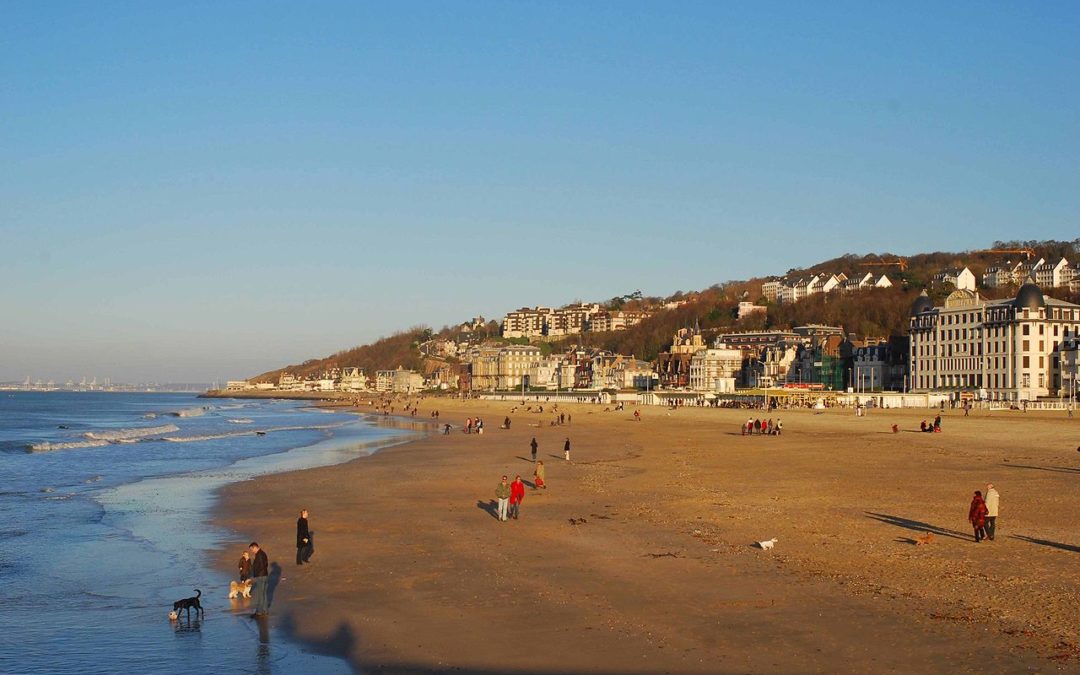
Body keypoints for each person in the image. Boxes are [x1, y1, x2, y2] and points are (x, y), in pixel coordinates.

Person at [249, 542, 270, 616]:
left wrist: (256, 573)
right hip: (264, 575)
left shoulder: (259, 555)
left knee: (260, 594)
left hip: (261, 576)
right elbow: (266, 564)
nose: (252, 551)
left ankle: (259, 611)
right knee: (263, 594)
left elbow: (261, 566)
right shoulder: (262, 553)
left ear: (255, 547)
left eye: (252, 549)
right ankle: (265, 610)